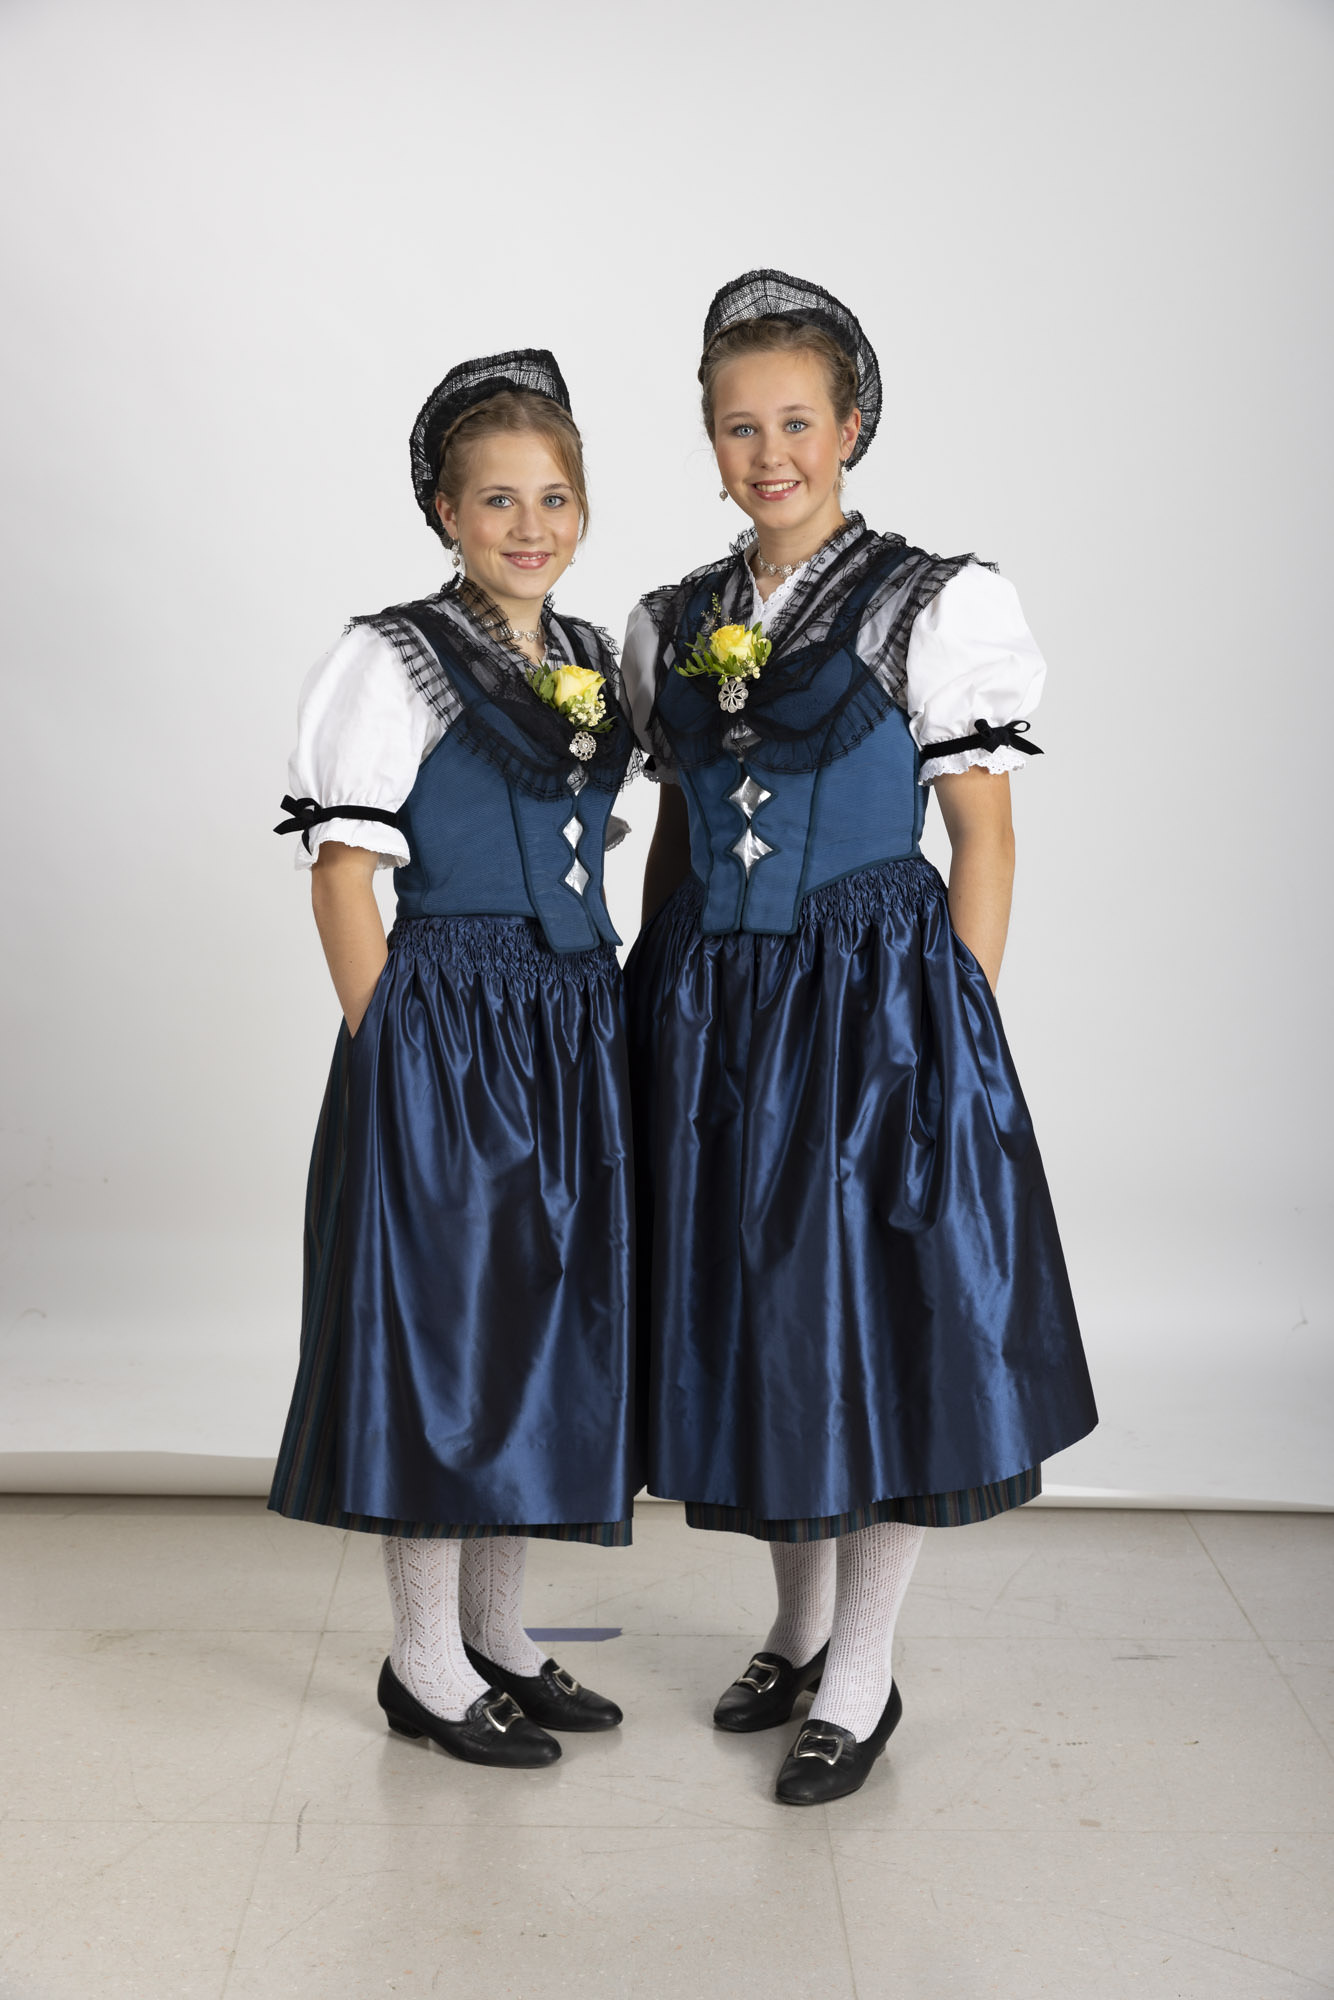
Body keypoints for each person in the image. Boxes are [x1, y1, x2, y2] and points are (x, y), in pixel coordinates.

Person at [624, 271, 1097, 1805]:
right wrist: (647, 1002)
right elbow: (675, 836)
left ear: (849, 429)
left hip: (871, 1001)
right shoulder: (669, 622)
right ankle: (796, 1628)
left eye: (795, 422)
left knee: (879, 1321)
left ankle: (863, 1670)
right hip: (713, 1006)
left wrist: (952, 1034)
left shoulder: (933, 604)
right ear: (708, 440)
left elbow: (983, 839)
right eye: (738, 426)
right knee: (770, 1318)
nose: (769, 453)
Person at [270, 351, 638, 1769]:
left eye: (553, 499)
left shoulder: (591, 656)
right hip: (451, 1024)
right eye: (497, 500)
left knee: (534, 1323)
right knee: (447, 1331)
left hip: (571, 1022)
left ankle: (498, 1634)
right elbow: (342, 876)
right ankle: (422, 1662)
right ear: (444, 510)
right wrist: (396, 1053)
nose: (528, 527)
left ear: (582, 510)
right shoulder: (394, 657)